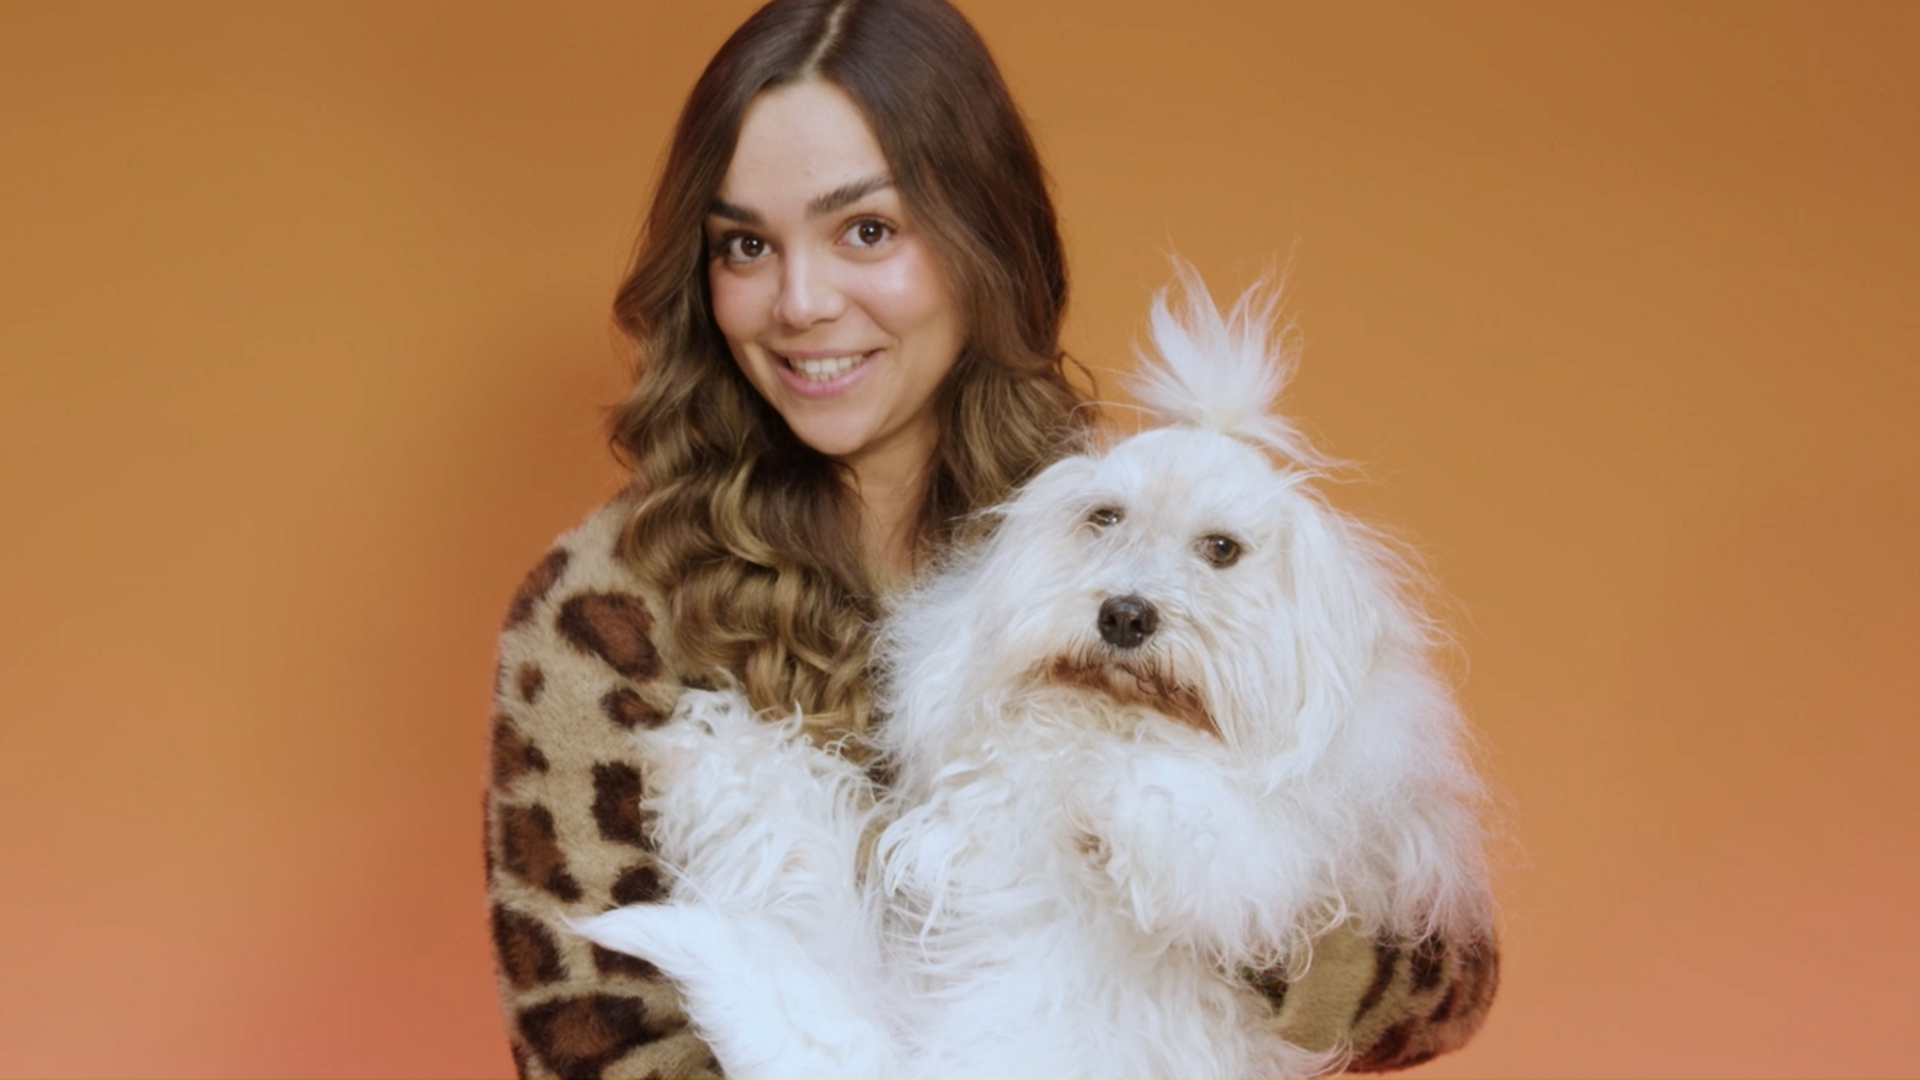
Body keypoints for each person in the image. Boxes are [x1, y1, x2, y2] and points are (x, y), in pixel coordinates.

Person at [483, 1, 1498, 1076]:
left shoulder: (1112, 514)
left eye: (865, 231)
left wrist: (1220, 899)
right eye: (746, 245)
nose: (801, 302)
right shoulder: (609, 608)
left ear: (981, 237)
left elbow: (1446, 986)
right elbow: (594, 1049)